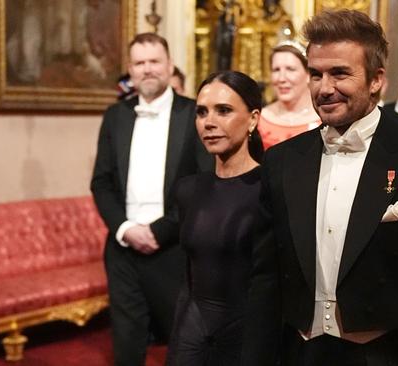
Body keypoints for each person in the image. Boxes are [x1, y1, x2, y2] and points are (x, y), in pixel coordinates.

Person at [243, 9, 398, 365]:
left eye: (340, 73)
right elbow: (265, 279)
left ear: (376, 79)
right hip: (298, 352)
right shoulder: (281, 161)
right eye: (316, 74)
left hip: (386, 355)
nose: (325, 88)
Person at [90, 33, 211, 366]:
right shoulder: (115, 116)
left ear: (169, 65)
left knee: (184, 343)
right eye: (139, 63)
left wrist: (161, 230)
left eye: (154, 61)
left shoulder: (195, 114)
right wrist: (126, 228)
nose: (147, 70)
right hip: (123, 248)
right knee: (126, 344)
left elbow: (203, 185)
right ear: (130, 69)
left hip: (175, 248)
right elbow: (101, 183)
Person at [165, 70, 268, 365]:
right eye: (201, 112)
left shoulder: (269, 189)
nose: (209, 122)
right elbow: (189, 277)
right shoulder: (188, 189)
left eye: (223, 111)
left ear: (253, 118)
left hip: (247, 338)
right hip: (190, 335)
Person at [258, 41, 321, 149]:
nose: (281, 78)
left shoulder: (324, 119)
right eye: (276, 70)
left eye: (290, 69)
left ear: (308, 74)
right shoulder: (259, 119)